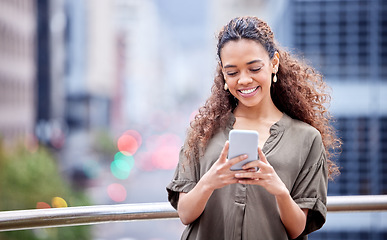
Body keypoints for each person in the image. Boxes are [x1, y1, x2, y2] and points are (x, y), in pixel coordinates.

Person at [166, 16, 341, 240]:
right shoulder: (203, 132)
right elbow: (185, 214)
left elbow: (297, 229)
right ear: (222, 73)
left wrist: (278, 189)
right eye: (232, 72)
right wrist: (211, 180)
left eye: (254, 68)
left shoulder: (307, 139)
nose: (244, 80)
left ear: (274, 63)